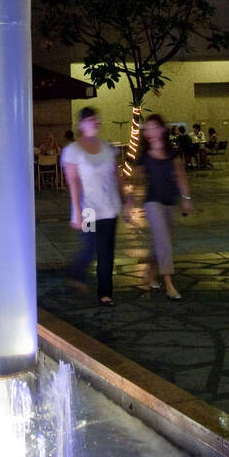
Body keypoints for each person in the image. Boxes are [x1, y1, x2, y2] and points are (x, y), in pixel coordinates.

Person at [62, 106, 131, 307]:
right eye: (91, 119)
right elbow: (73, 181)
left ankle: (105, 293)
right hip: (89, 209)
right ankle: (75, 274)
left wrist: (126, 199)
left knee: (106, 251)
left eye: (96, 119)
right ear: (81, 124)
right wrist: (76, 212)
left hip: (109, 208)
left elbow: (116, 176)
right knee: (90, 245)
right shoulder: (72, 151)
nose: (95, 122)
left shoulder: (108, 148)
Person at [136, 114, 191, 301]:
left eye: (152, 127)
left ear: (162, 129)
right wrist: (128, 203)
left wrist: (186, 199)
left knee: (161, 242)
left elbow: (181, 176)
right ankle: (169, 284)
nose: (148, 132)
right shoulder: (144, 157)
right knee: (163, 240)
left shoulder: (172, 154)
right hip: (152, 202)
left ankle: (150, 272)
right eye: (147, 129)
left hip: (169, 202)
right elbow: (136, 181)